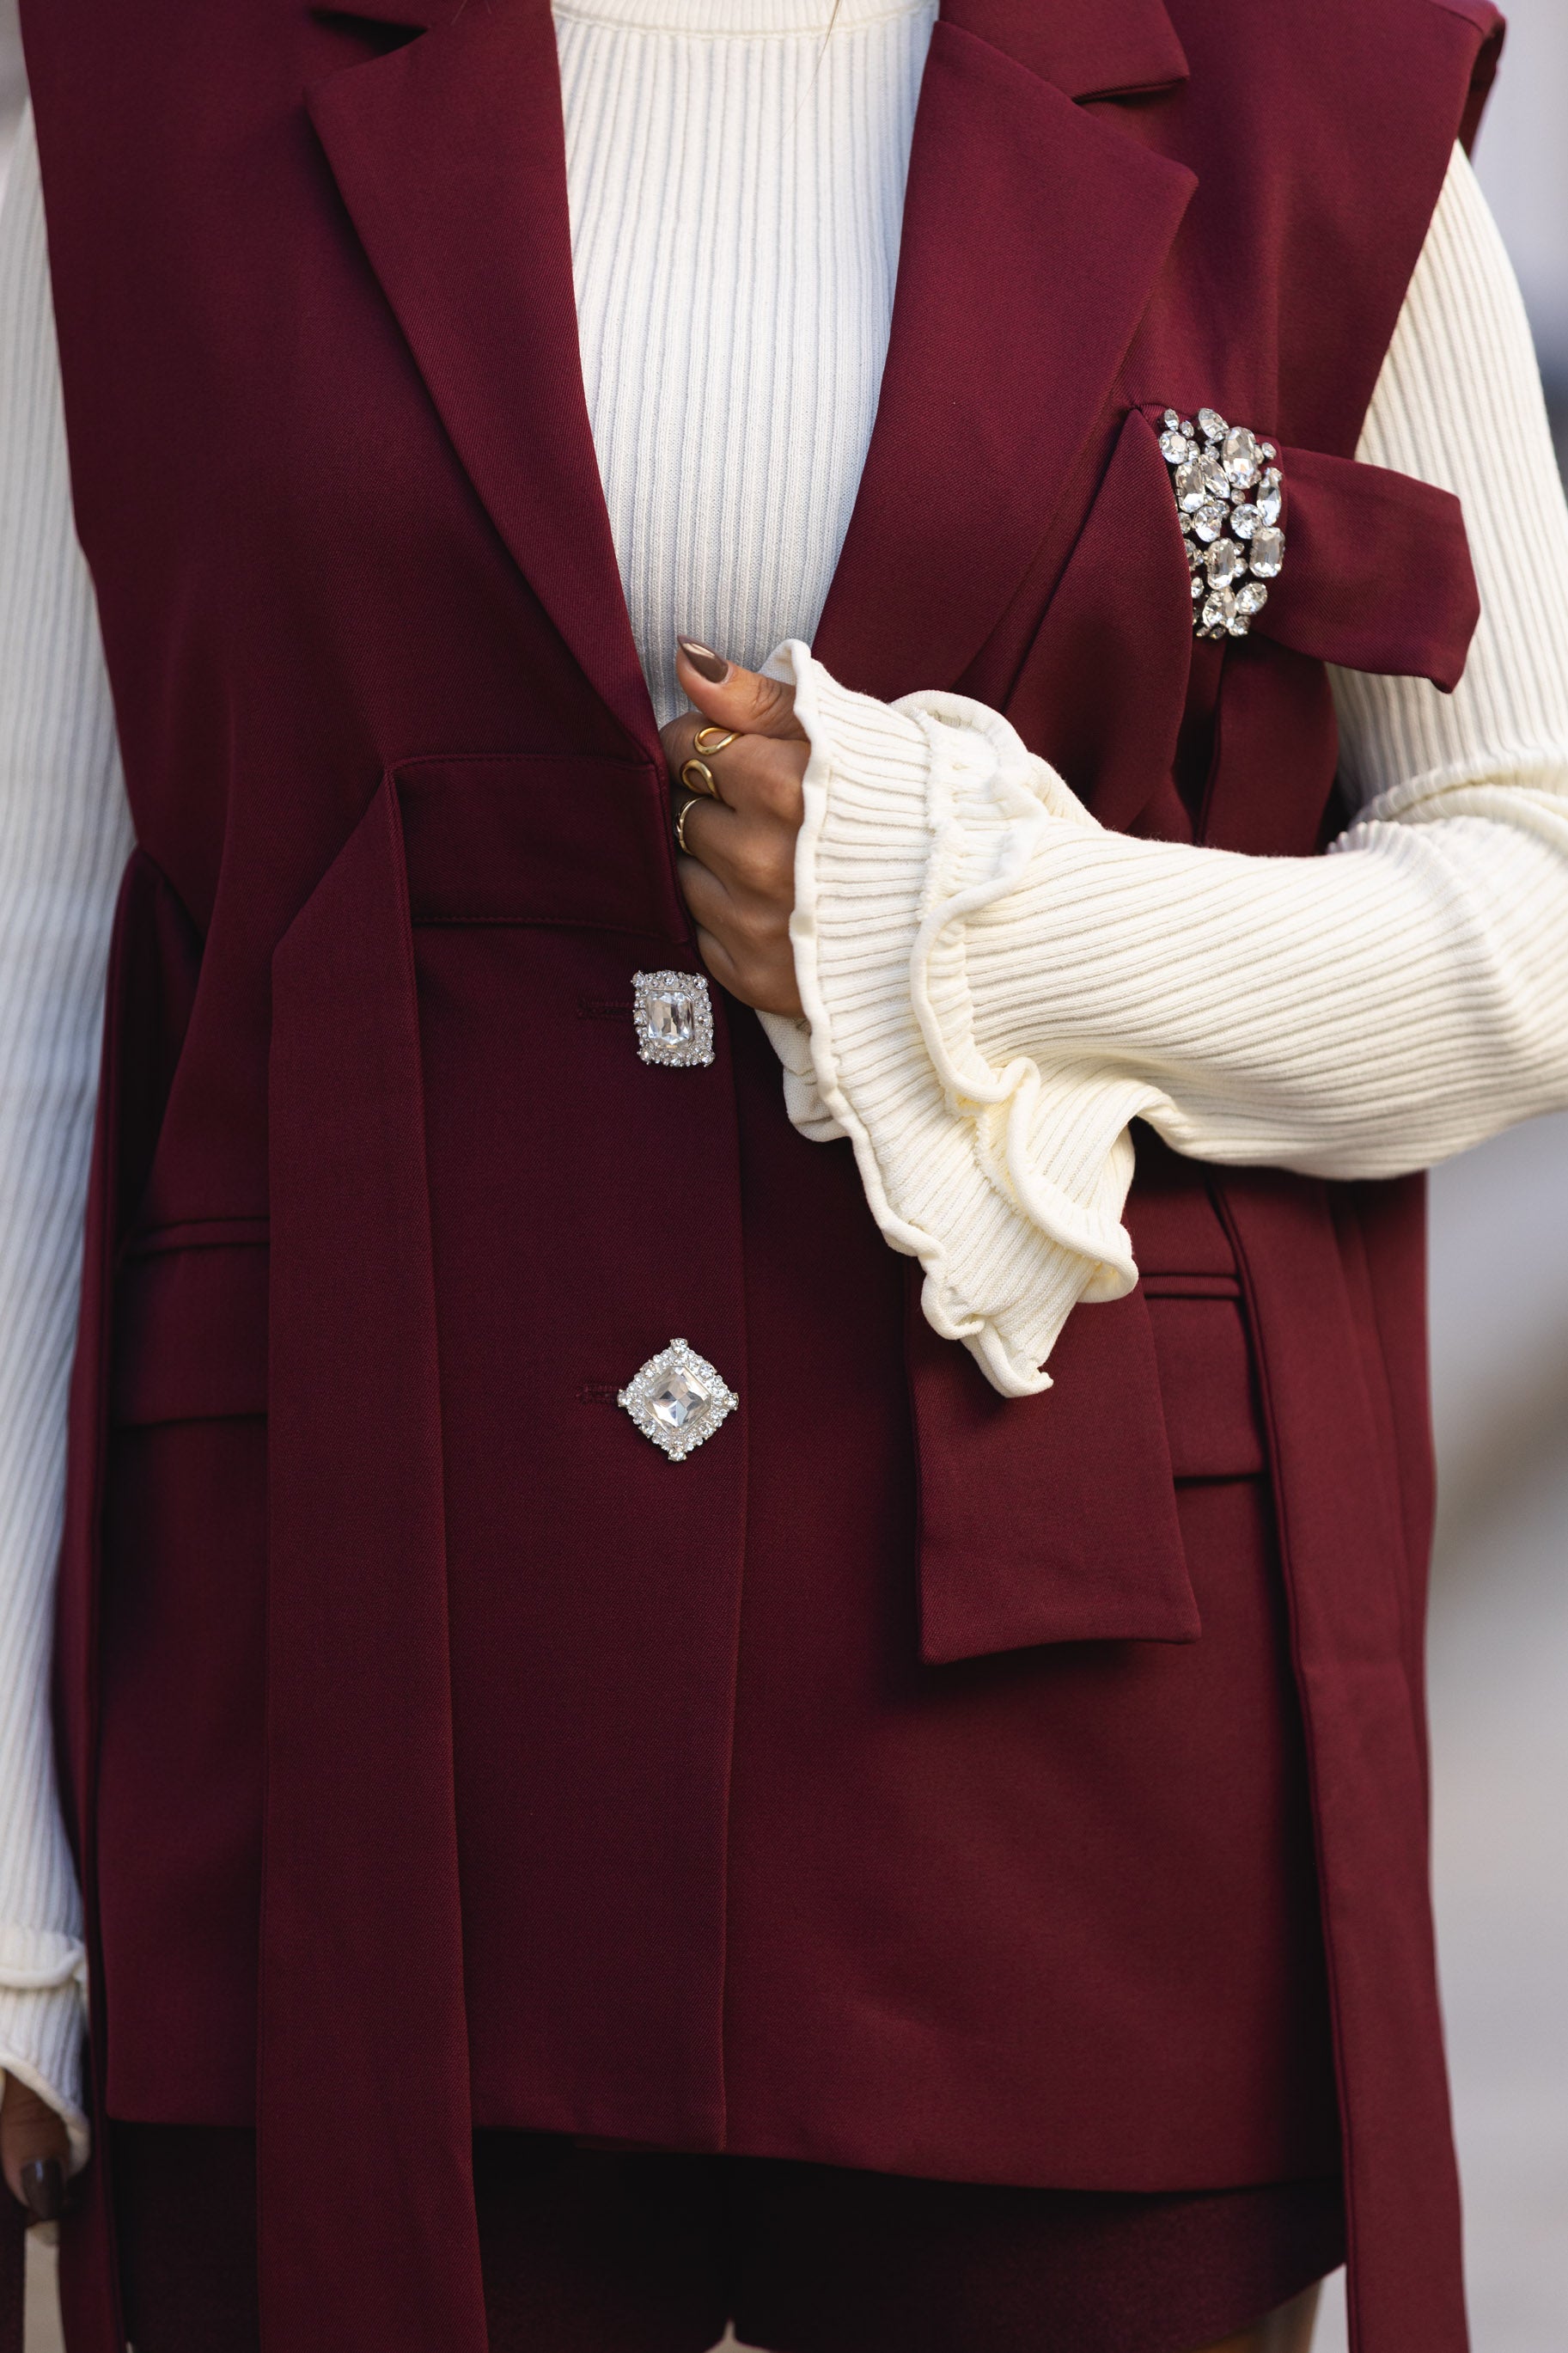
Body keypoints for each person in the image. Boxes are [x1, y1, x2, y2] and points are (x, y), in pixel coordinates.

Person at [1, 0, 1565, 2346]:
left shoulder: (1299, 74)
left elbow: (1537, 906)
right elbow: (33, 941)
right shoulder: (144, 77)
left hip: (1062, 1758)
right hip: (345, 1708)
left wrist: (992, 915)